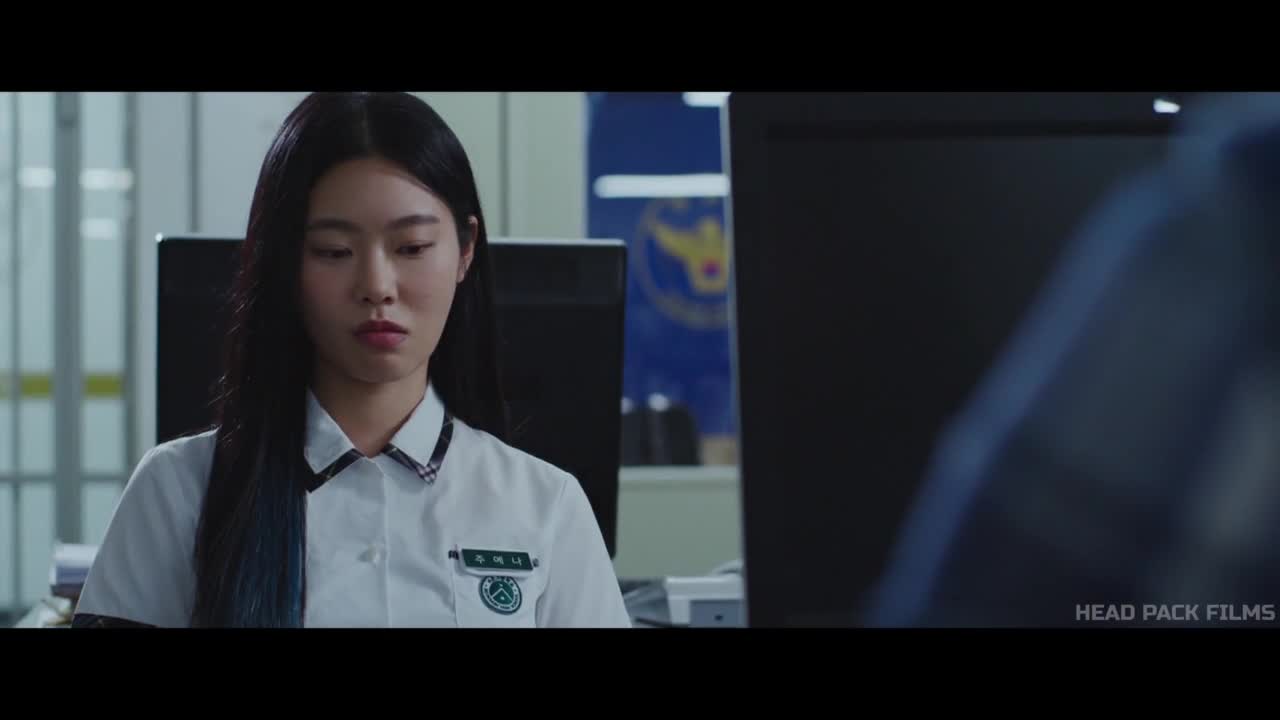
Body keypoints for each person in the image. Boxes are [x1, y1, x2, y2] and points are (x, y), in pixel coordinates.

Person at [72, 92, 632, 628]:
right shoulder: (178, 488)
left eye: (412, 248)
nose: (376, 286)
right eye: (334, 251)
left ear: (465, 250)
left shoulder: (544, 503)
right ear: (285, 262)